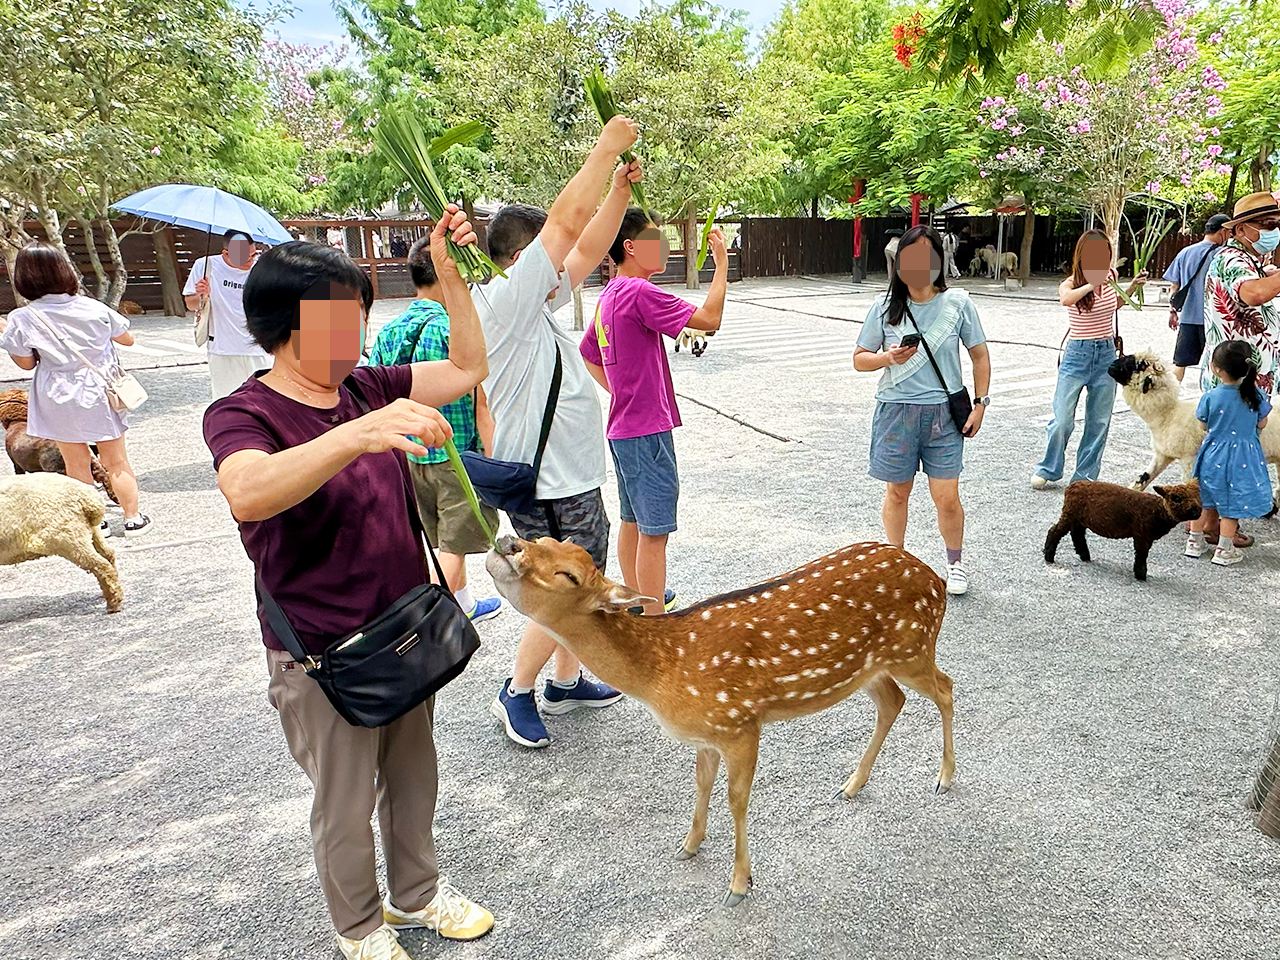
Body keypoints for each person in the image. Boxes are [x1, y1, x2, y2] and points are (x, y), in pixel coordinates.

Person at [202, 209, 494, 959]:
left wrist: (451, 275)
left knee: (413, 776)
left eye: (357, 315)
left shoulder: (364, 383)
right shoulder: (243, 411)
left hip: (403, 624)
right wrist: (356, 434)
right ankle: (359, 927)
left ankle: (419, 896)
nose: (353, 334)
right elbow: (249, 491)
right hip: (322, 652)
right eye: (335, 318)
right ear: (282, 325)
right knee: (343, 801)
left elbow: (466, 370)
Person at [475, 116, 644, 749]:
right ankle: (515, 690)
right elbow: (568, 227)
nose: (563, 265)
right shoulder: (507, 299)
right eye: (546, 256)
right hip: (549, 482)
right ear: (521, 262)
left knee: (582, 571)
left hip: (567, 475)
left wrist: (619, 192)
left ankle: (566, 681)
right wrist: (605, 150)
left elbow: (586, 245)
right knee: (561, 587)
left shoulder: (530, 303)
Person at [579, 209, 728, 615]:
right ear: (630, 247)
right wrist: (721, 266)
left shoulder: (609, 294)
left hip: (623, 429)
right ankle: (654, 620)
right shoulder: (639, 292)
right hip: (646, 431)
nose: (662, 247)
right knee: (654, 531)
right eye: (654, 239)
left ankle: (635, 600)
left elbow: (588, 352)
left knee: (633, 520)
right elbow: (709, 321)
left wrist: (620, 391)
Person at [365, 236, 503, 623]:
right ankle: (430, 624)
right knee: (453, 547)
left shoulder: (389, 331)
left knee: (430, 539)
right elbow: (482, 405)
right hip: (453, 454)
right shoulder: (457, 332)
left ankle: (464, 604)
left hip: (406, 457)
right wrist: (496, 464)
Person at [853, 224, 991, 596]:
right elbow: (859, 360)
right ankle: (895, 563)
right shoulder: (884, 308)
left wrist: (981, 404)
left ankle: (955, 563)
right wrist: (887, 357)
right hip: (896, 411)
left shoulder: (958, 304)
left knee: (946, 496)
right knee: (897, 492)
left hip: (944, 414)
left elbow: (979, 356)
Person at [1, 242, 152, 537]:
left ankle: (98, 524)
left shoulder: (23, 318)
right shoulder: (91, 306)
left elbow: (26, 364)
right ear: (64, 270)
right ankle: (133, 518)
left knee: (75, 462)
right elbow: (127, 340)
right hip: (99, 390)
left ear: (23, 277)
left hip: (57, 392)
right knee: (116, 460)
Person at [1031, 230, 1146, 489]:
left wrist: (1132, 287)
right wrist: (1094, 283)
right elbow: (1066, 300)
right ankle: (1049, 468)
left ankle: (1085, 477)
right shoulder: (1070, 282)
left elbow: (1113, 305)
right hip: (1076, 355)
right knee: (1062, 419)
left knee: (1099, 421)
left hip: (1106, 353)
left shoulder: (1112, 277)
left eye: (1105, 254)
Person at [1201, 192, 1280, 550]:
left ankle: (1209, 526)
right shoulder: (1233, 258)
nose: (1272, 230)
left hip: (1242, 380)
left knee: (1226, 456)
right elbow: (1252, 294)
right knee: (1231, 459)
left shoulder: (1253, 258)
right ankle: (1215, 529)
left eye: (1276, 225)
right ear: (1242, 228)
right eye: (1265, 225)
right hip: (1233, 382)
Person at [1185, 341, 1273, 567]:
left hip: (1213, 454)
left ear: (1215, 368)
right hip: (1243, 458)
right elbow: (1262, 423)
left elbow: (1203, 425)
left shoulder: (1210, 396)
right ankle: (1224, 549)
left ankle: (1194, 544)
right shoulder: (1256, 396)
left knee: (1204, 498)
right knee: (1232, 503)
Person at [183, 229, 272, 401]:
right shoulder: (206, 266)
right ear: (226, 253)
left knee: (265, 400)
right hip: (222, 348)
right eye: (246, 257)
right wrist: (203, 295)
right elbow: (191, 304)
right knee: (227, 401)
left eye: (254, 254)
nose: (251, 260)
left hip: (258, 347)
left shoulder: (261, 268)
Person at [1164, 213, 1230, 382]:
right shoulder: (1224, 255)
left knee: (1180, 363)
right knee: (1217, 364)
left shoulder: (1185, 252)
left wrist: (1173, 311)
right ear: (1222, 231)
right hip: (1214, 319)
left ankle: (1171, 399)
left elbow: (1174, 286)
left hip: (1188, 317)